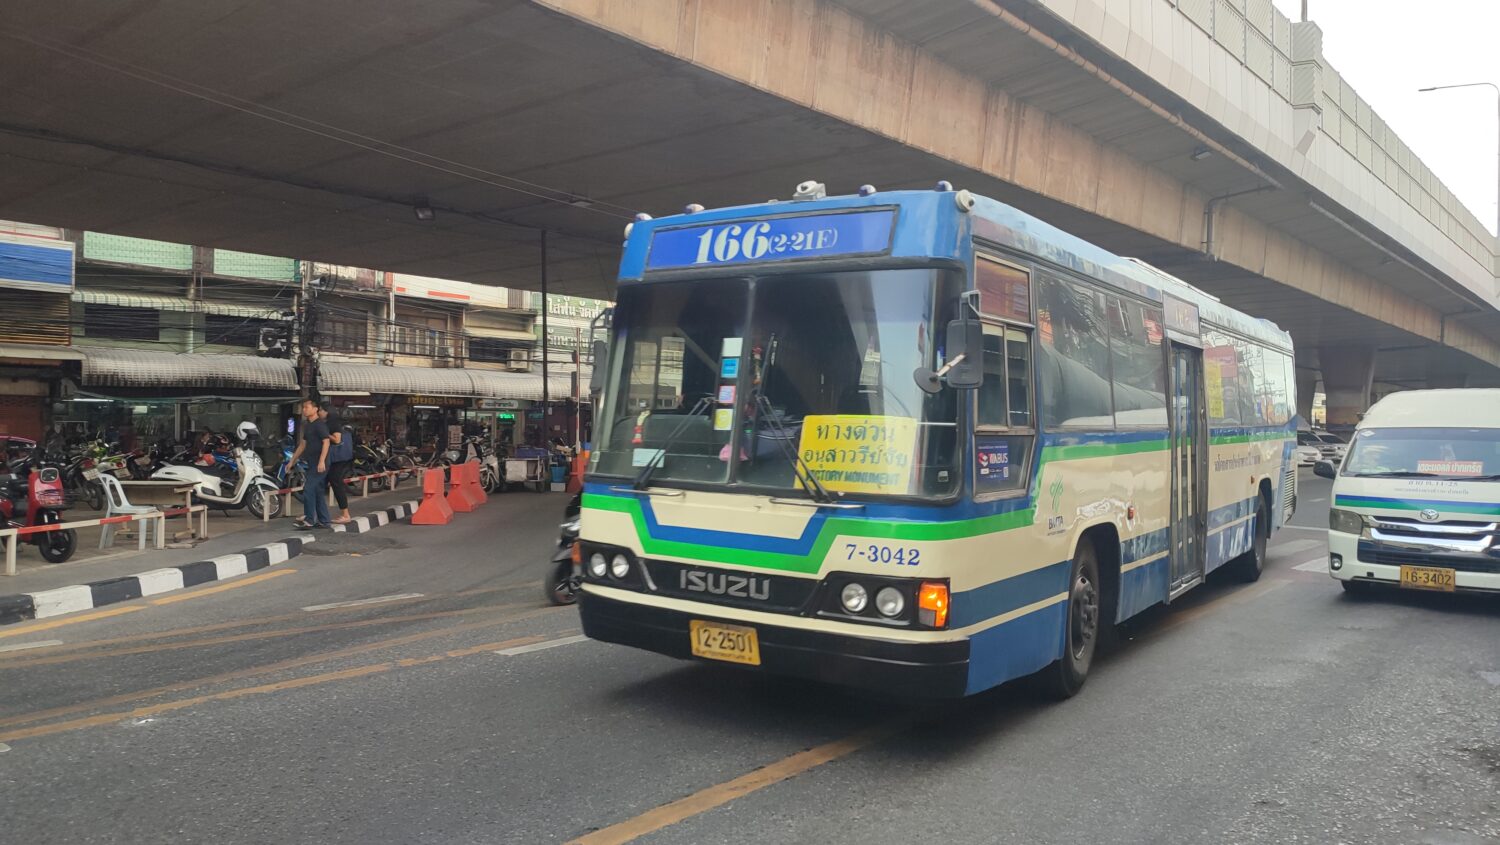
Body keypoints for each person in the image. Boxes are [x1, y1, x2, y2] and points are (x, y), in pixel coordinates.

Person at [291, 398, 331, 530]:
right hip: (312, 463)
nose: (304, 410)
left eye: (306, 407)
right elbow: (303, 445)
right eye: (303, 408)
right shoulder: (308, 425)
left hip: (320, 464)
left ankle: (309, 520)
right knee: (318, 491)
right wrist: (292, 460)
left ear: (315, 409)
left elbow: (326, 442)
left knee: (308, 489)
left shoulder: (319, 425)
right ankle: (324, 521)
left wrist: (321, 461)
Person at [320, 401, 353, 525]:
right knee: (321, 484)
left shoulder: (333, 423)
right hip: (333, 459)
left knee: (336, 483)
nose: (319, 412)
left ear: (326, 411)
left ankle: (345, 514)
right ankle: (313, 513)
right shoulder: (328, 422)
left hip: (336, 459)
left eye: (321, 410)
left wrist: (324, 434)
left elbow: (337, 439)